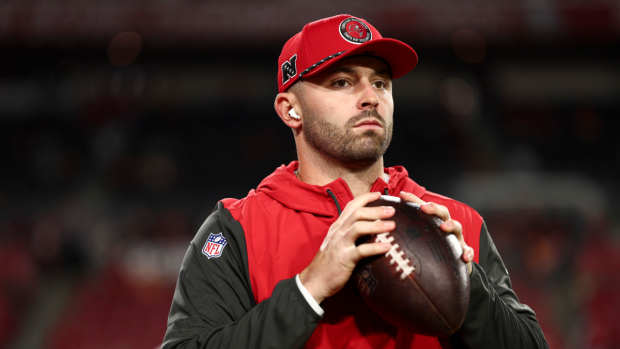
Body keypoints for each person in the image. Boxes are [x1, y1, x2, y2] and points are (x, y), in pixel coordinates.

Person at [162, 14, 548, 349]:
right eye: (342, 83)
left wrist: (468, 285)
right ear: (290, 109)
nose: (370, 98)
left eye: (380, 83)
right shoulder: (237, 229)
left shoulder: (455, 222)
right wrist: (307, 290)